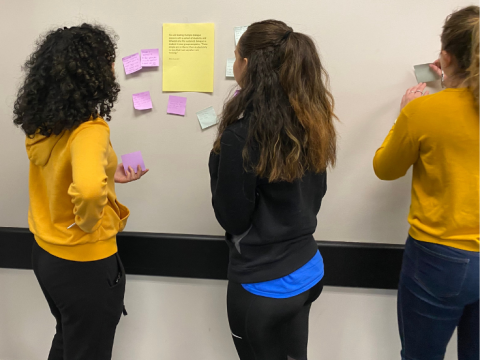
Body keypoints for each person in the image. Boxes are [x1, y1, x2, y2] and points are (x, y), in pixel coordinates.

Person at [13, 24, 148, 360]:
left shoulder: (45, 124)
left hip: (47, 256)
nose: (114, 68)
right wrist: (88, 225)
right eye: (109, 61)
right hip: (83, 262)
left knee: (68, 340)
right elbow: (87, 192)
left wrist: (109, 172)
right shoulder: (90, 129)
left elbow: (64, 173)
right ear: (93, 72)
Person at [209, 20, 337, 360]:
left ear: (247, 65)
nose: (234, 63)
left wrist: (216, 160)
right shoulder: (313, 121)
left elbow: (232, 218)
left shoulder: (241, 135)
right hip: (308, 270)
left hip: (262, 285)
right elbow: (314, 197)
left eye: (236, 56)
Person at [373, 6, 479, 360]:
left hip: (438, 260)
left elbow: (385, 168)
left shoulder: (423, 112)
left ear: (446, 57)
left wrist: (407, 111)